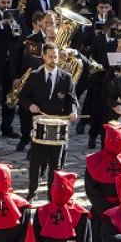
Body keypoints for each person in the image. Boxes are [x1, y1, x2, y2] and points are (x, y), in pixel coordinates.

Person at [22, 43, 79, 196]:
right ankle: (32, 192)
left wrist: (73, 111)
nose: (54, 60)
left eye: (56, 56)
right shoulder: (34, 75)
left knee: (56, 163)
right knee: (35, 161)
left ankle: (52, 194)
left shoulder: (66, 77)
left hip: (58, 124)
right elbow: (23, 96)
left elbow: (72, 100)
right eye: (50, 56)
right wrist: (30, 105)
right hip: (39, 123)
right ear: (44, 57)